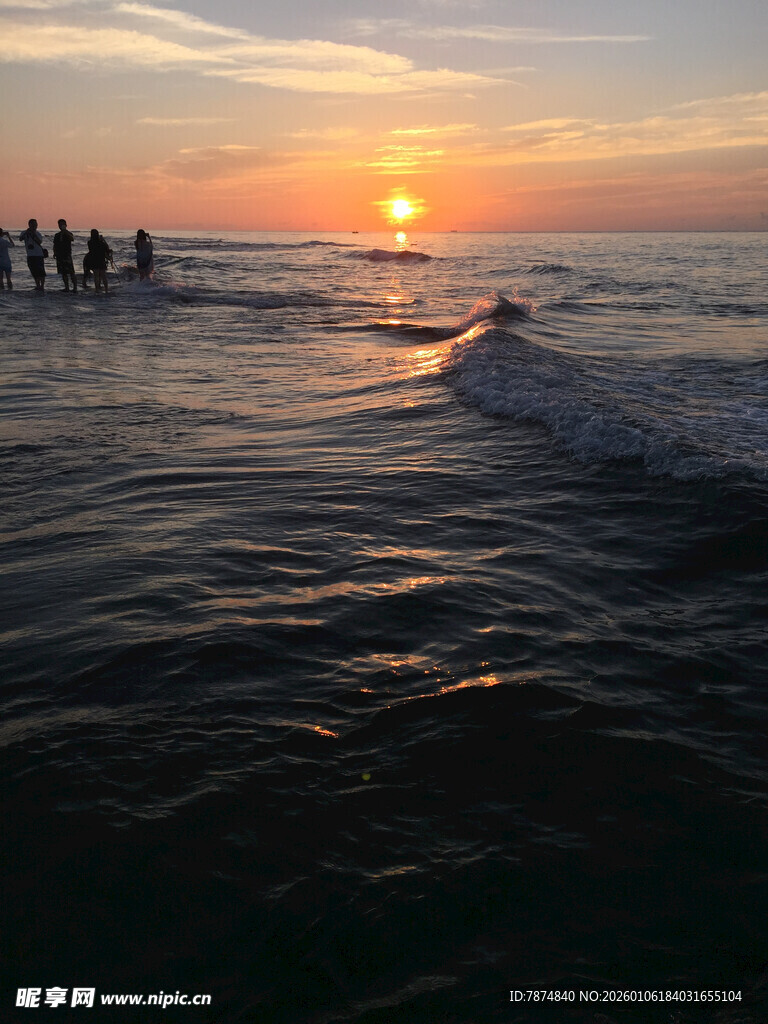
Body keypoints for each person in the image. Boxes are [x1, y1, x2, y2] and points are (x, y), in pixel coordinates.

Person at [19, 218, 46, 291]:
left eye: (36, 224)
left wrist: (33, 234)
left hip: (39, 255)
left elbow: (39, 242)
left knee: (41, 271)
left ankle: (42, 286)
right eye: (33, 224)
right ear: (29, 225)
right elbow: (20, 239)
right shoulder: (24, 232)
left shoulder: (38, 233)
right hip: (30, 255)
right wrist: (27, 232)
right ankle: (38, 285)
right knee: (34, 271)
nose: (35, 226)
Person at [53, 218, 77, 292]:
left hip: (67, 255)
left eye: (63, 225)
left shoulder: (68, 233)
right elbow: (55, 245)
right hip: (59, 255)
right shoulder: (57, 235)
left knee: (71, 272)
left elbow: (72, 239)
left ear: (66, 225)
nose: (61, 226)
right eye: (60, 225)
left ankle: (75, 287)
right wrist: (55, 252)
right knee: (63, 273)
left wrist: (65, 232)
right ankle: (66, 287)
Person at [87, 228, 112, 293]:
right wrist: (103, 240)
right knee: (103, 276)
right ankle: (106, 289)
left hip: (94, 259)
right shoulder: (101, 243)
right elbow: (107, 249)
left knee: (96, 276)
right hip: (101, 260)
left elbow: (91, 250)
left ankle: (97, 289)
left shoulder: (90, 243)